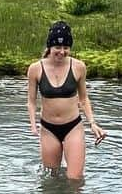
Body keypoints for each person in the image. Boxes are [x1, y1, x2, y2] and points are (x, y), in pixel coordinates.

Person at [26, 20, 106, 180]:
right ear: (50, 47)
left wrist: (92, 123)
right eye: (58, 47)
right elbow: (31, 101)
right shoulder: (35, 69)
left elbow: (83, 99)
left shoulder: (79, 67)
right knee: (51, 179)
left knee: (75, 179)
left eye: (66, 48)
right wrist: (33, 124)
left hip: (73, 127)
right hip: (48, 129)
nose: (62, 52)